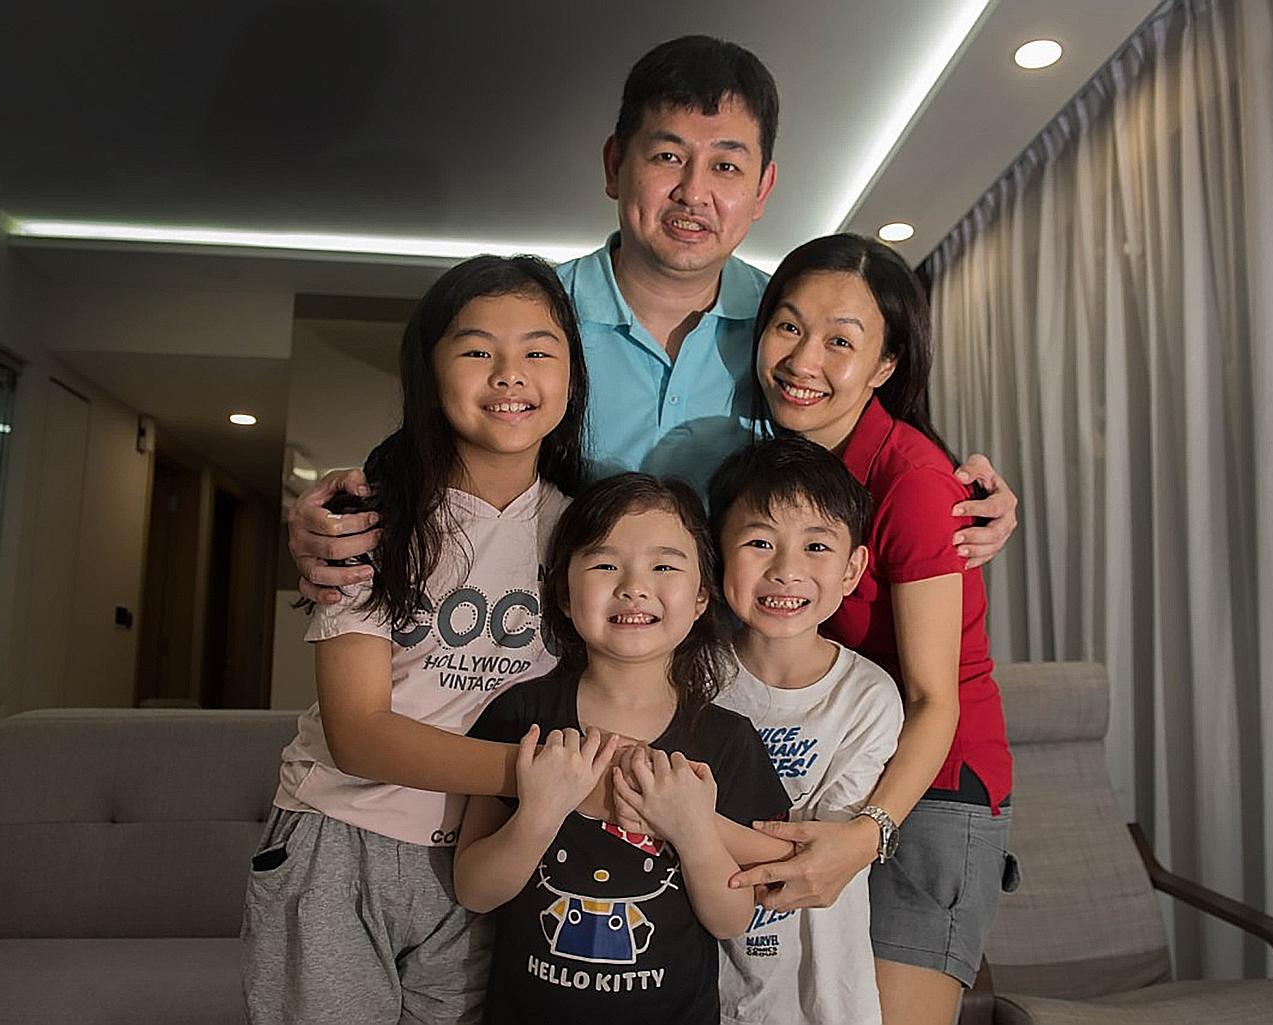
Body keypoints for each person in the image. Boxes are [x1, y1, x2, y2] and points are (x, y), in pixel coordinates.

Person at [285, 36, 1019, 602]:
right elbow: (429, 455)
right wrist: (334, 521)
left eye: (726, 166)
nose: (693, 192)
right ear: (615, 165)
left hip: (741, 675)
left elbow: (886, 452)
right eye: (668, 156)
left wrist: (972, 496)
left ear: (763, 189)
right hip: (537, 651)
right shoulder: (531, 320)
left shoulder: (789, 330)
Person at [242, 255, 603, 1025]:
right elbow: (359, 734)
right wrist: (547, 779)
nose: (511, 373)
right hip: (344, 839)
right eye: (477, 349)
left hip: (494, 852)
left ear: (571, 373)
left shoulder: (588, 532)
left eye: (540, 350)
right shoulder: (373, 514)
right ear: (427, 369)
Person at [728, 235, 1018, 1025]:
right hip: (843, 761)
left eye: (841, 342)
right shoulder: (784, 466)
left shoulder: (914, 482)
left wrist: (867, 832)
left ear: (886, 366)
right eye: (788, 327)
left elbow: (934, 697)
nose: (802, 359)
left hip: (931, 788)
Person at [454, 473, 791, 1025]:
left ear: (703, 594)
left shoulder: (728, 741)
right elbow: (474, 889)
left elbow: (733, 921)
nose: (634, 586)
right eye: (605, 564)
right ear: (563, 592)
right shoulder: (519, 715)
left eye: (664, 566)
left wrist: (692, 830)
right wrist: (539, 814)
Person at [703, 437, 904, 1025]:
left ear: (852, 569)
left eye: (816, 546)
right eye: (759, 542)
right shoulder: (690, 678)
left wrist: (689, 817)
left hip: (817, 988)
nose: (786, 570)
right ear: (716, 556)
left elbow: (824, 849)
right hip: (696, 977)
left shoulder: (866, 697)